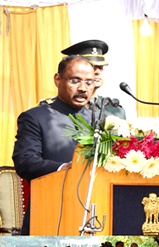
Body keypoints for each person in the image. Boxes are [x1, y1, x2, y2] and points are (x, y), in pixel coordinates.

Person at [12, 56, 95, 234]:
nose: (83, 88)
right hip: (51, 208)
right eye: (75, 81)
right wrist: (65, 168)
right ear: (58, 80)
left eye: (89, 82)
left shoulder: (100, 121)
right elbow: (25, 161)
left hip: (94, 209)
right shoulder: (35, 117)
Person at [59, 39, 125, 120]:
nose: (97, 72)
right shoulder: (57, 109)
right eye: (92, 67)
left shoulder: (114, 110)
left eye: (101, 67)